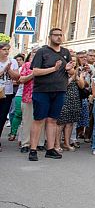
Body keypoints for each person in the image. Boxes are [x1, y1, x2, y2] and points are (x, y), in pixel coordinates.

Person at [29, 28, 73, 161]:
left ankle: (50, 149)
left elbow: (71, 72)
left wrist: (69, 70)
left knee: (53, 120)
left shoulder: (65, 52)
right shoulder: (42, 52)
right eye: (56, 35)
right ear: (50, 37)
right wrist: (53, 69)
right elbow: (35, 71)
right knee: (39, 119)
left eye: (61, 35)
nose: (59, 37)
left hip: (59, 90)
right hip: (42, 90)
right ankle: (33, 149)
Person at [55, 56, 85, 152]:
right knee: (61, 122)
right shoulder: (62, 72)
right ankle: (56, 144)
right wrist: (71, 76)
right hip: (64, 97)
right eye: (71, 61)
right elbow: (64, 85)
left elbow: (82, 85)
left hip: (74, 98)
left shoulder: (78, 72)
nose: (73, 63)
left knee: (70, 122)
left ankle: (67, 143)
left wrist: (76, 75)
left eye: (75, 62)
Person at [0, 42, 21, 151]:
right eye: (4, 49)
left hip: (7, 93)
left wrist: (9, 69)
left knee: (2, 117)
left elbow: (17, 77)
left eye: (8, 49)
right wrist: (4, 70)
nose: (6, 52)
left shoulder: (12, 61)